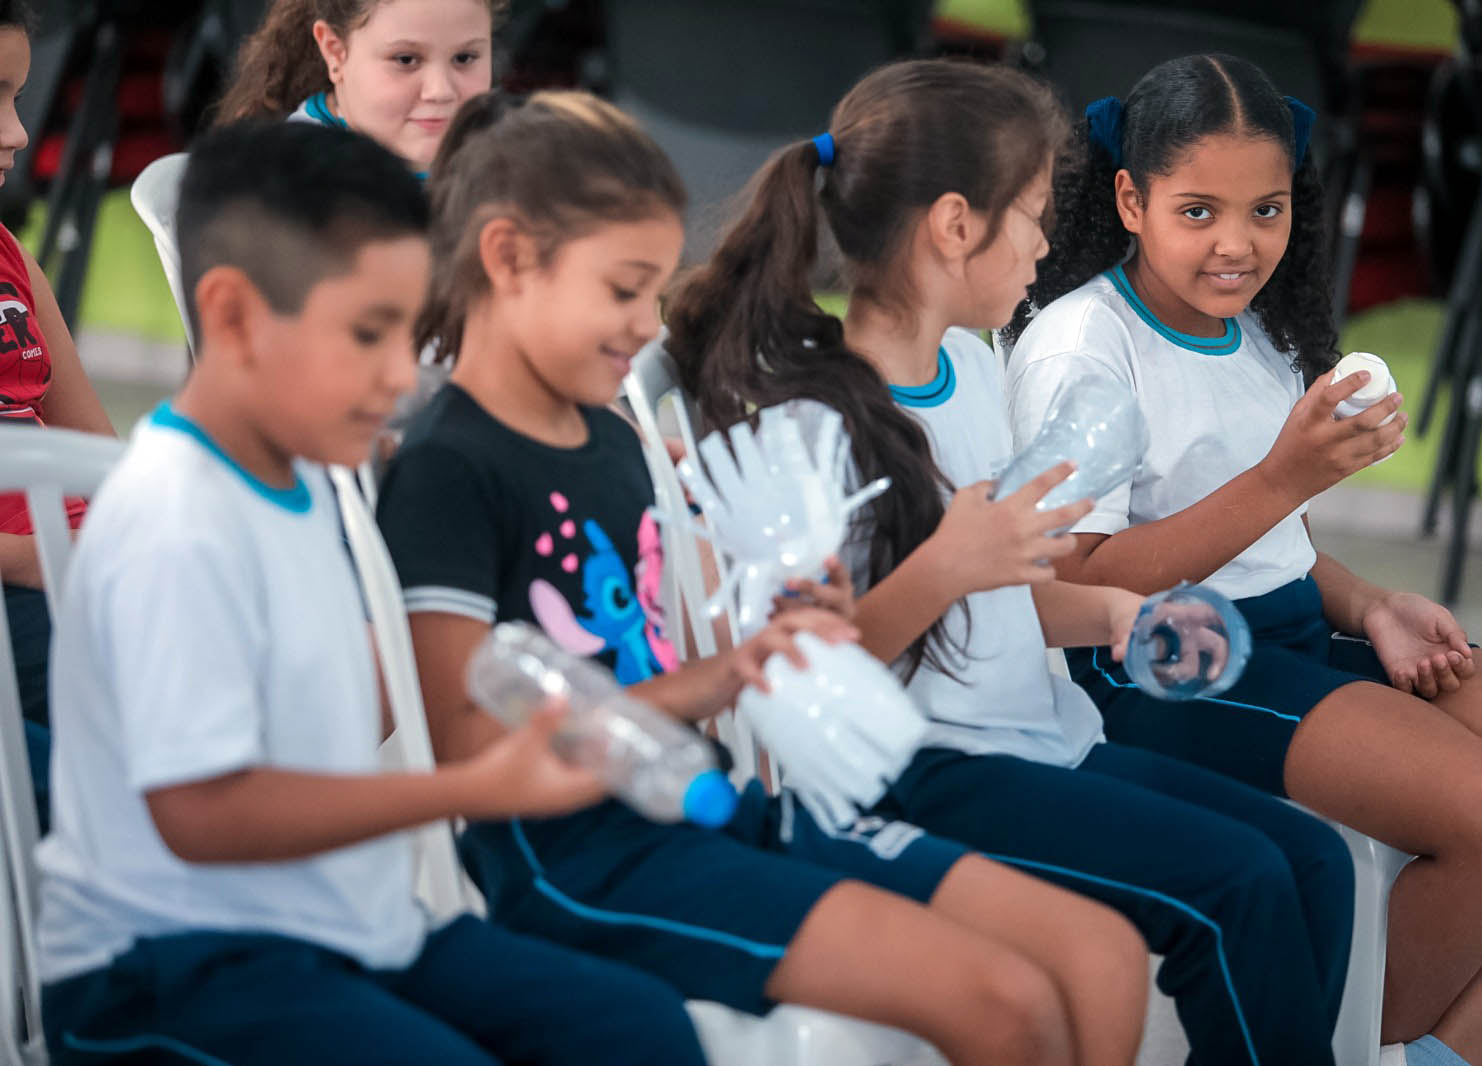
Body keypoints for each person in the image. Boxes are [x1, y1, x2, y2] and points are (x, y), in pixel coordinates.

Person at [378, 88, 1151, 1066]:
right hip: (581, 864)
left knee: (1097, 955)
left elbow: (697, 634)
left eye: (654, 294)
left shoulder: (611, 443)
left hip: (707, 806)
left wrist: (785, 621)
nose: (644, 329)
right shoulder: (448, 467)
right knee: (1005, 1005)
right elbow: (470, 748)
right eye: (623, 291)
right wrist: (717, 679)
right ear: (508, 259)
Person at [667, 56, 1355, 1066]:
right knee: (1239, 885)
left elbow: (1013, 599)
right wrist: (947, 565)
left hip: (1040, 738)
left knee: (1312, 860)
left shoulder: (970, 364)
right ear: (955, 226)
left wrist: (1116, 615)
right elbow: (806, 665)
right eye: (1031, 215)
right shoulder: (815, 416)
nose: (1044, 242)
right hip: (922, 773)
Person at [36, 119, 712, 1066]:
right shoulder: (176, 521)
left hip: (351, 930)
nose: (402, 377)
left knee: (640, 1028)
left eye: (409, 334)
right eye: (367, 335)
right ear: (232, 316)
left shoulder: (308, 476)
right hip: (168, 971)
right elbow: (201, 815)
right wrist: (469, 787)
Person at [1007, 52, 1482, 1066]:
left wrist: (1368, 603)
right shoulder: (1083, 346)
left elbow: (1272, 547)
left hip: (1292, 635)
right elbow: (1073, 582)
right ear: (1131, 200)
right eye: (1198, 211)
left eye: (1266, 210)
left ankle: (1443, 1054)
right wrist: (1285, 477)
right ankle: (1335, 1048)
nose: (1237, 244)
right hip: (1168, 667)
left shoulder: (1260, 330)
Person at [0, 0, 116, 830]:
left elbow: (105, 462)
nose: (16, 133)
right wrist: (33, 559)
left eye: (15, 98)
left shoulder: (11, 259)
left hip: (86, 579)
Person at [216, 0, 497, 175]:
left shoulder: (492, 157)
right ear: (335, 52)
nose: (440, 91)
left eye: (464, 58)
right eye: (405, 59)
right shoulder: (297, 186)